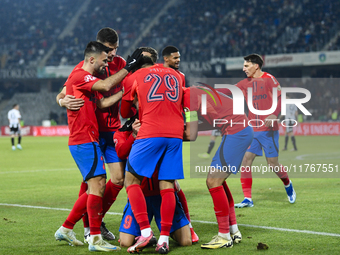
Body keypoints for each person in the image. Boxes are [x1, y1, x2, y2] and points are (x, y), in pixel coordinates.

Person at [54, 41, 142, 252]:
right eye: (104, 59)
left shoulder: (88, 79)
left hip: (90, 137)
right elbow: (102, 86)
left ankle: (67, 229)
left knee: (98, 185)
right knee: (97, 185)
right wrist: (61, 100)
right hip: (83, 138)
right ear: (93, 58)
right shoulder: (80, 75)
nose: (106, 63)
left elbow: (101, 103)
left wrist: (125, 92)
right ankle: (93, 237)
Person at [120, 52, 185, 254]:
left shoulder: (133, 77)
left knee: (130, 180)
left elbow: (124, 112)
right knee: (167, 185)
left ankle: (146, 231)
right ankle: (163, 239)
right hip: (175, 133)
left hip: (150, 132)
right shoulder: (178, 75)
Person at [217, 53, 296, 208]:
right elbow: (229, 91)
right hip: (252, 128)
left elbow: (280, 98)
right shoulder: (245, 83)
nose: (243, 69)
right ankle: (248, 198)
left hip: (268, 129)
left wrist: (274, 114)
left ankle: (287, 183)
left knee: (272, 163)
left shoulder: (269, 79)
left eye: (246, 66)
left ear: (256, 66)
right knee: (246, 160)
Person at [183, 86, 253, 249]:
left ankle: (223, 236)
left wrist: (169, 134)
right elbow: (211, 123)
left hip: (236, 131)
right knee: (218, 182)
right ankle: (233, 230)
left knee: (213, 181)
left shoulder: (187, 98)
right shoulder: (195, 92)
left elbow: (191, 135)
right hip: (239, 129)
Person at [113, 116, 192, 248]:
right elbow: (121, 152)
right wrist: (134, 135)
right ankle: (149, 235)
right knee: (125, 242)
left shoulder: (159, 129)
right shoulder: (121, 132)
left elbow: (188, 134)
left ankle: (172, 231)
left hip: (160, 195)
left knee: (186, 241)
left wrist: (191, 115)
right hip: (140, 197)